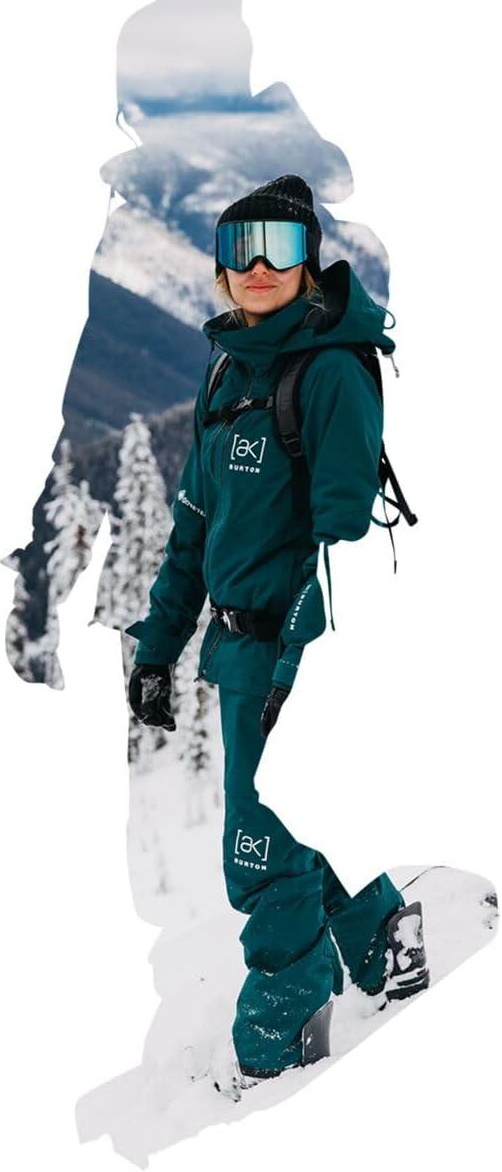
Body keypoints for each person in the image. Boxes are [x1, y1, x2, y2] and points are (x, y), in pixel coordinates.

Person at [125, 175, 429, 1094]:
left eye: (281, 247)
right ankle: (384, 938)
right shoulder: (229, 372)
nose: (258, 266)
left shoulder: (328, 372)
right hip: (237, 651)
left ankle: (278, 1042)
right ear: (219, 267)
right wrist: (156, 649)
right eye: (240, 247)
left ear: (309, 263)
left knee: (255, 854)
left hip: (292, 651)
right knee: (292, 820)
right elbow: (192, 530)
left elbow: (341, 542)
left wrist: (299, 666)